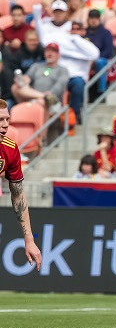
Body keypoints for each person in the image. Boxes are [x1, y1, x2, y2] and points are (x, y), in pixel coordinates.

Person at [0, 99, 42, 270]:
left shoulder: (9, 149)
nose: (5, 125)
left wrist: (29, 240)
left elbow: (18, 194)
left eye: (7, 119)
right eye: (0, 120)